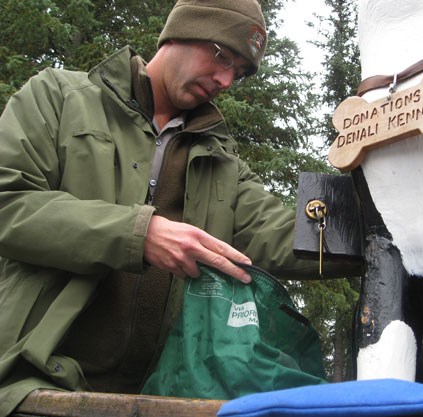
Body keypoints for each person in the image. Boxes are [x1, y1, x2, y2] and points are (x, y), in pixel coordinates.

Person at [0, 1, 326, 415]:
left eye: (239, 72)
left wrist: (376, 221)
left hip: (159, 396)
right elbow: (8, 203)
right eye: (222, 55)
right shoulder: (58, 97)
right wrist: (140, 233)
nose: (226, 79)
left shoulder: (223, 162)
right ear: (179, 33)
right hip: (33, 386)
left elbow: (288, 236)